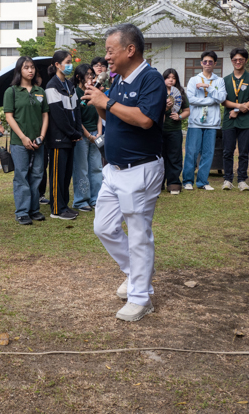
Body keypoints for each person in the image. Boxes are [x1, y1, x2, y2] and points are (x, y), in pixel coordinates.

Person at [81, 23, 167, 322]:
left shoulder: (151, 79)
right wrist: (100, 102)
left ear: (130, 50)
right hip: (114, 170)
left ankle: (141, 298)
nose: (106, 57)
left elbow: (144, 119)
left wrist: (108, 102)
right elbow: (114, 114)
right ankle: (136, 273)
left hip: (141, 169)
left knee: (139, 233)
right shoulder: (118, 79)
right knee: (103, 227)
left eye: (110, 50)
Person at [4, 56, 49, 225]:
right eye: (26, 67)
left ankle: (33, 209)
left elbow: (45, 115)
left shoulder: (40, 91)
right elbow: (9, 116)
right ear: (19, 70)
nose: (30, 70)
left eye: (32, 67)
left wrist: (42, 136)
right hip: (19, 142)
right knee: (21, 175)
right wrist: (23, 137)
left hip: (38, 141)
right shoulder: (12, 91)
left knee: (37, 174)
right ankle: (22, 212)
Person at [45, 50, 83, 220]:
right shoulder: (52, 86)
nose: (70, 65)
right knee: (57, 175)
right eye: (67, 62)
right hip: (58, 138)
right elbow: (58, 115)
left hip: (71, 137)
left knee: (66, 174)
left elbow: (76, 109)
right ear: (57, 65)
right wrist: (72, 132)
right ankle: (56, 209)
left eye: (70, 62)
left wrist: (78, 131)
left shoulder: (69, 85)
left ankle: (64, 205)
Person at [182, 51, 227, 190]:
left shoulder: (219, 81)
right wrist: (210, 101)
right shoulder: (194, 80)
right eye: (205, 61)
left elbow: (222, 98)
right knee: (192, 152)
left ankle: (202, 182)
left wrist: (208, 87)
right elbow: (191, 100)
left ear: (215, 64)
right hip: (195, 122)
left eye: (210, 62)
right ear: (201, 63)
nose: (207, 64)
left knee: (208, 153)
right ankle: (188, 181)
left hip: (212, 123)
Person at [220, 48, 249, 191]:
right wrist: (238, 107)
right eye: (235, 60)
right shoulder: (225, 80)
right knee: (227, 151)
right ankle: (228, 179)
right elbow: (223, 101)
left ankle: (242, 179)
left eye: (241, 59)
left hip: (245, 122)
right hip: (229, 121)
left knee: (244, 151)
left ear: (246, 61)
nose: (238, 62)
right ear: (231, 61)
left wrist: (237, 110)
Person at [71, 64, 102, 211]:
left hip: (96, 134)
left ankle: (96, 198)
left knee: (96, 168)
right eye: (87, 75)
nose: (91, 77)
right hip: (82, 137)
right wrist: (89, 136)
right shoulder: (75, 93)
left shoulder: (94, 91)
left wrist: (99, 133)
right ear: (79, 77)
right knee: (81, 168)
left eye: (92, 74)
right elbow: (77, 119)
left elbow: (99, 113)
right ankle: (81, 201)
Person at [161, 68, 190, 195]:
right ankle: (158, 183)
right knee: (159, 157)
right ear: (164, 79)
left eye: (173, 78)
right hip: (160, 130)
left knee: (175, 156)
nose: (171, 80)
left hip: (174, 130)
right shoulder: (158, 92)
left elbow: (187, 110)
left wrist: (179, 117)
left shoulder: (180, 93)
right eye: (168, 77)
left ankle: (173, 183)